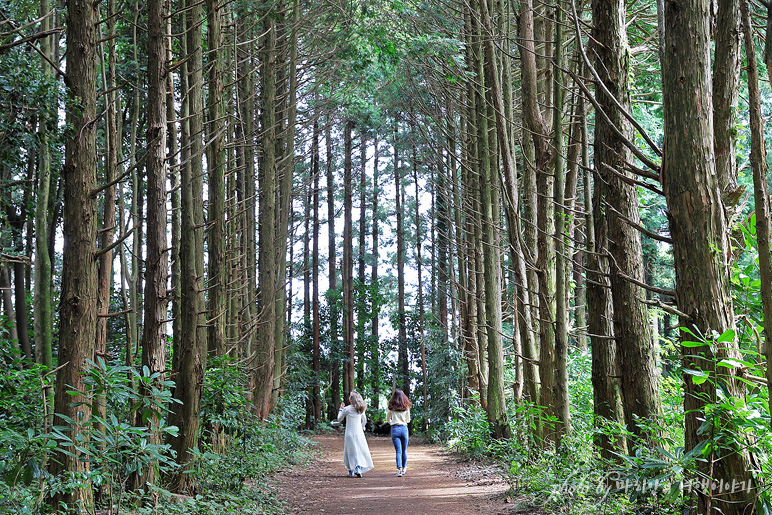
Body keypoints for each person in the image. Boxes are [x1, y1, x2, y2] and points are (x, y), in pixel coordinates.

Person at [336, 391, 374, 477]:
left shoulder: (347, 409)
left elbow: (339, 419)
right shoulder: (361, 409)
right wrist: (362, 427)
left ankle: (350, 471)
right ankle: (358, 468)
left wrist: (341, 409)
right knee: (359, 450)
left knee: (350, 451)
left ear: (351, 400)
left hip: (349, 433)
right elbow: (364, 420)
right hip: (359, 433)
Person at [387, 389, 411, 477]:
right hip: (404, 429)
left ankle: (399, 469)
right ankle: (404, 468)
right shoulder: (406, 407)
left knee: (398, 451)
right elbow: (408, 420)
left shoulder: (391, 407)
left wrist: (392, 423)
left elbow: (387, 419)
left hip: (395, 429)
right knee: (404, 450)